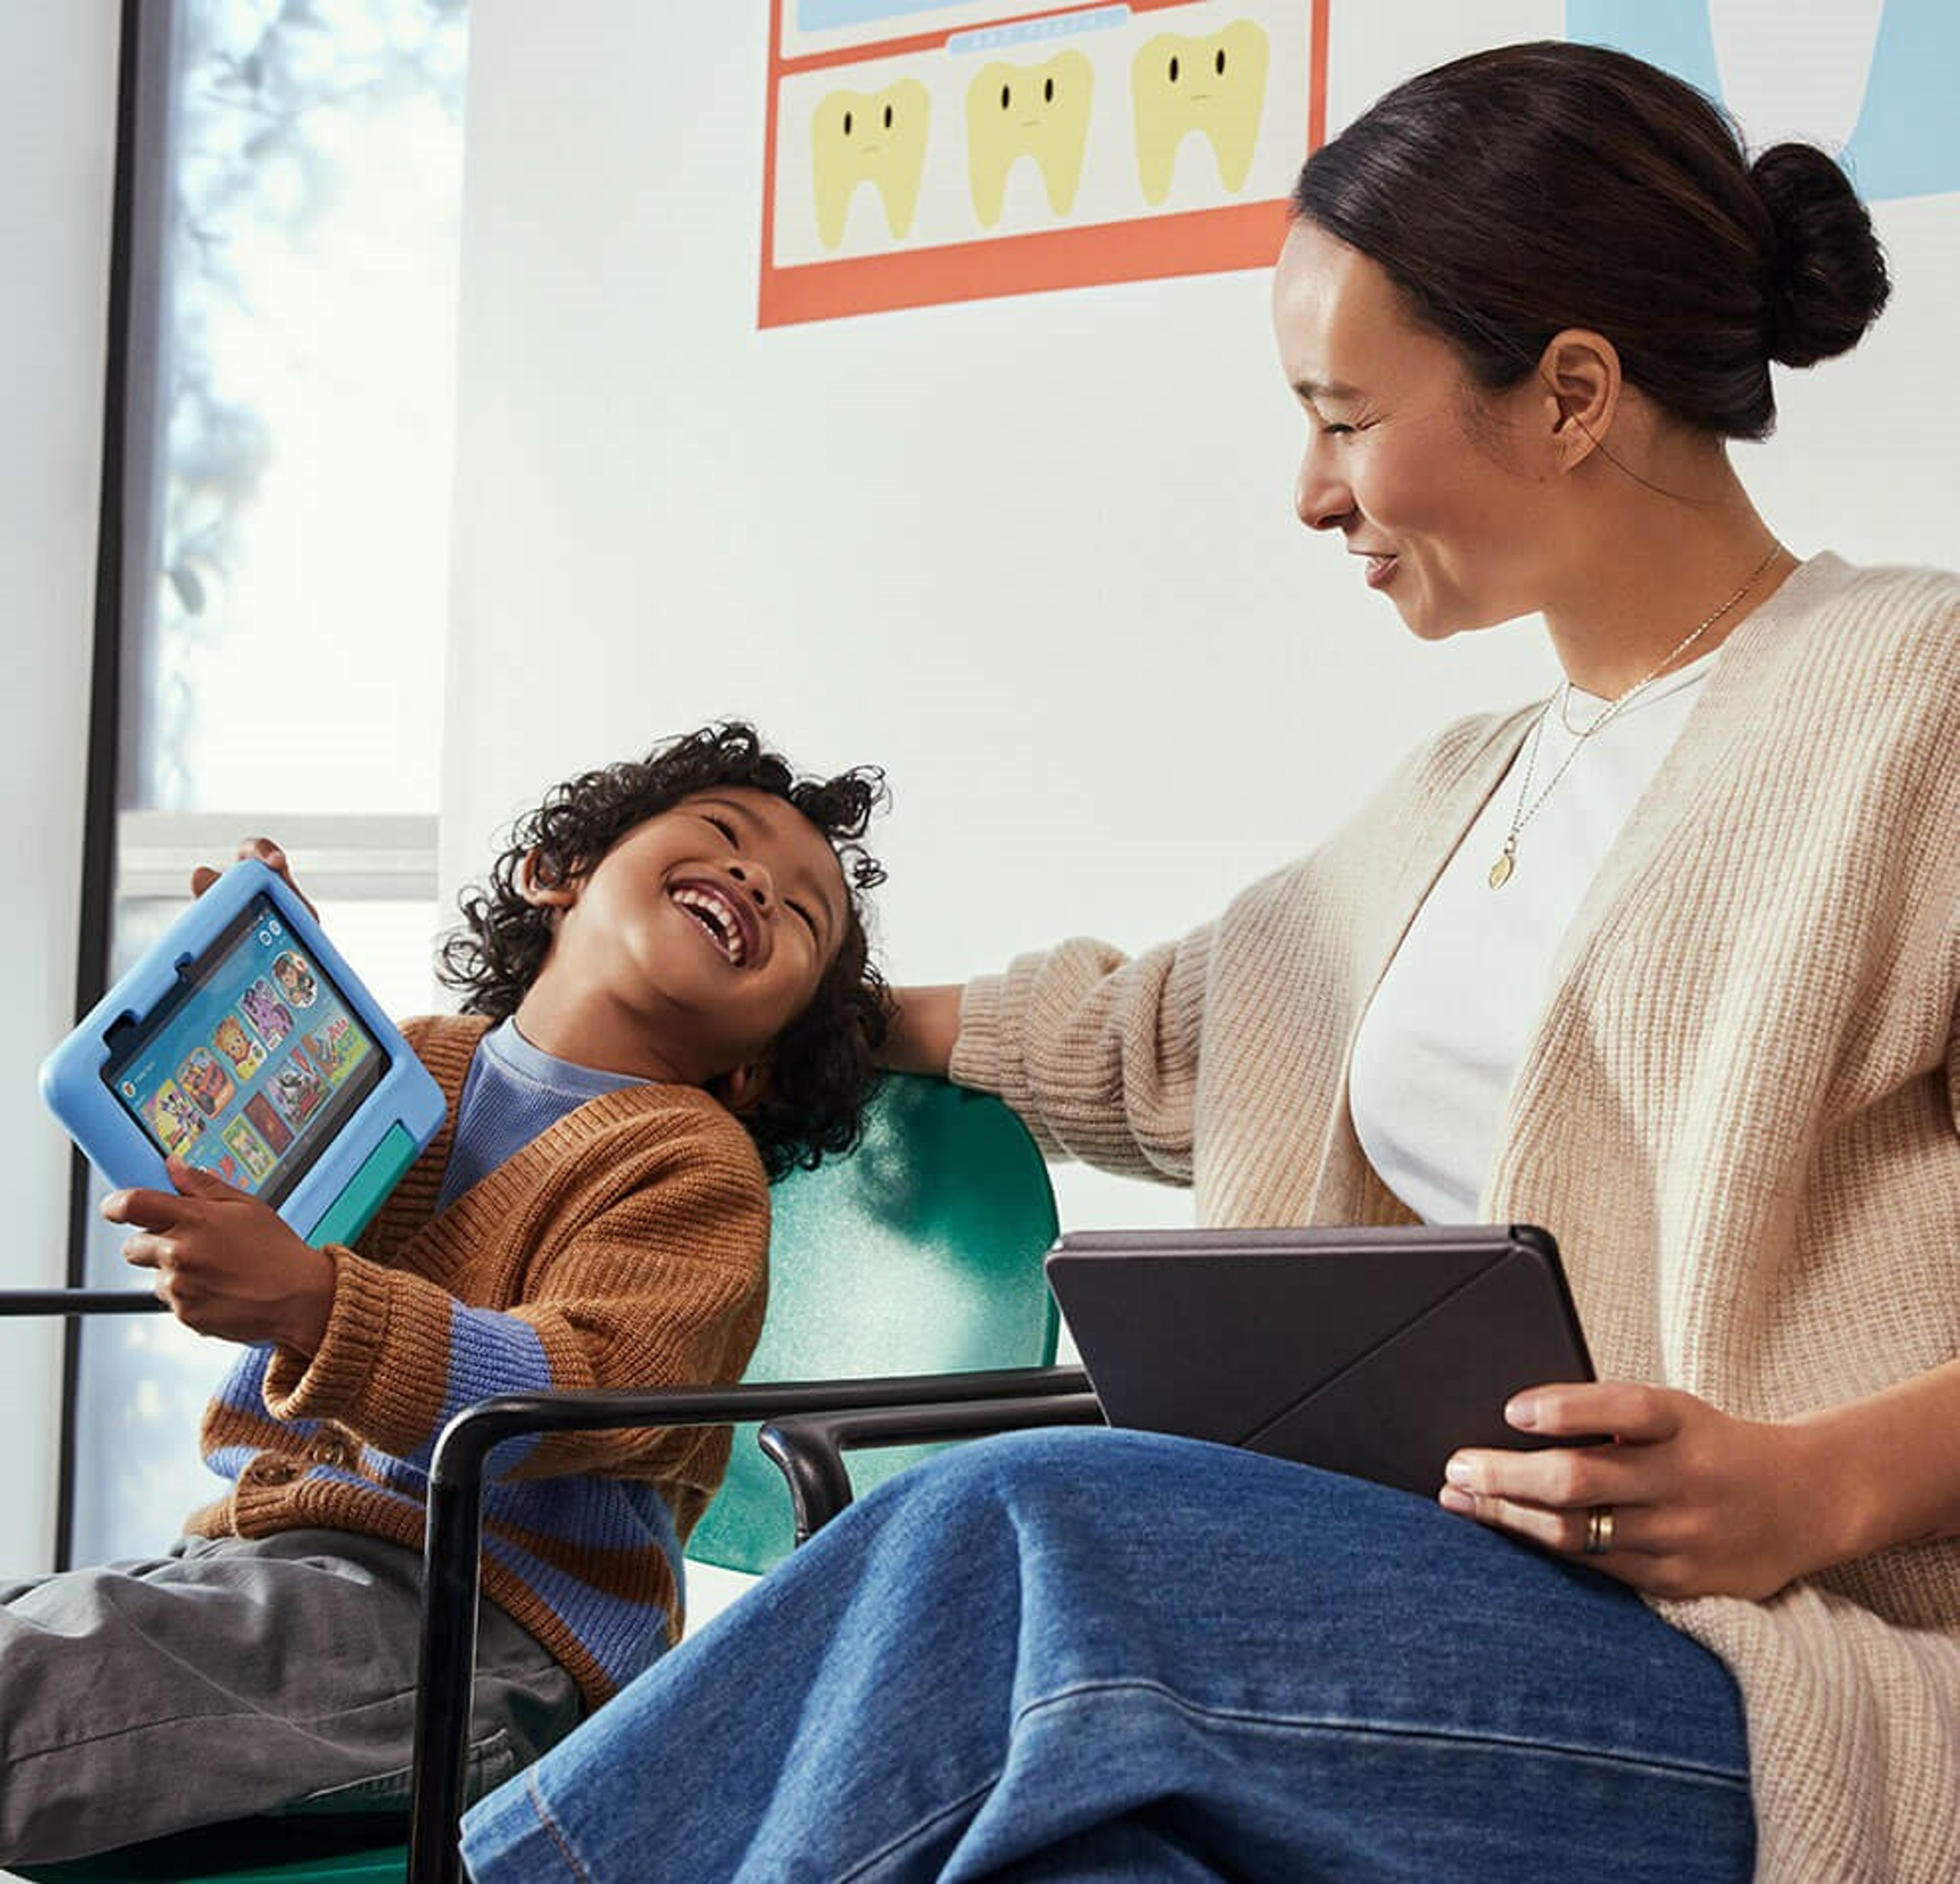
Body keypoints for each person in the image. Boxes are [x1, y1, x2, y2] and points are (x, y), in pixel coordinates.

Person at [456, 41, 1960, 1884]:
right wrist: (751, 1010)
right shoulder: (1454, 795)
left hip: (1789, 1685)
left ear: (1572, 393)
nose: (1311, 493)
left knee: (1027, 1524)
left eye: (1344, 414)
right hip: (1417, 1636)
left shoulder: (1919, 708)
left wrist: (1824, 1481)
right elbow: (1161, 1030)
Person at [0, 722, 889, 1864]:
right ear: (556, 875)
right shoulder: (416, 1059)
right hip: (265, 1568)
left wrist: (317, 1306)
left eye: (803, 915)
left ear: (760, 1061)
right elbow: (276, 1207)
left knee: (39, 1687)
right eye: (724, 833)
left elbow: (587, 1384)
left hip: (485, 1642)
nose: (760, 878)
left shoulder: (691, 1161)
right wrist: (271, 1004)